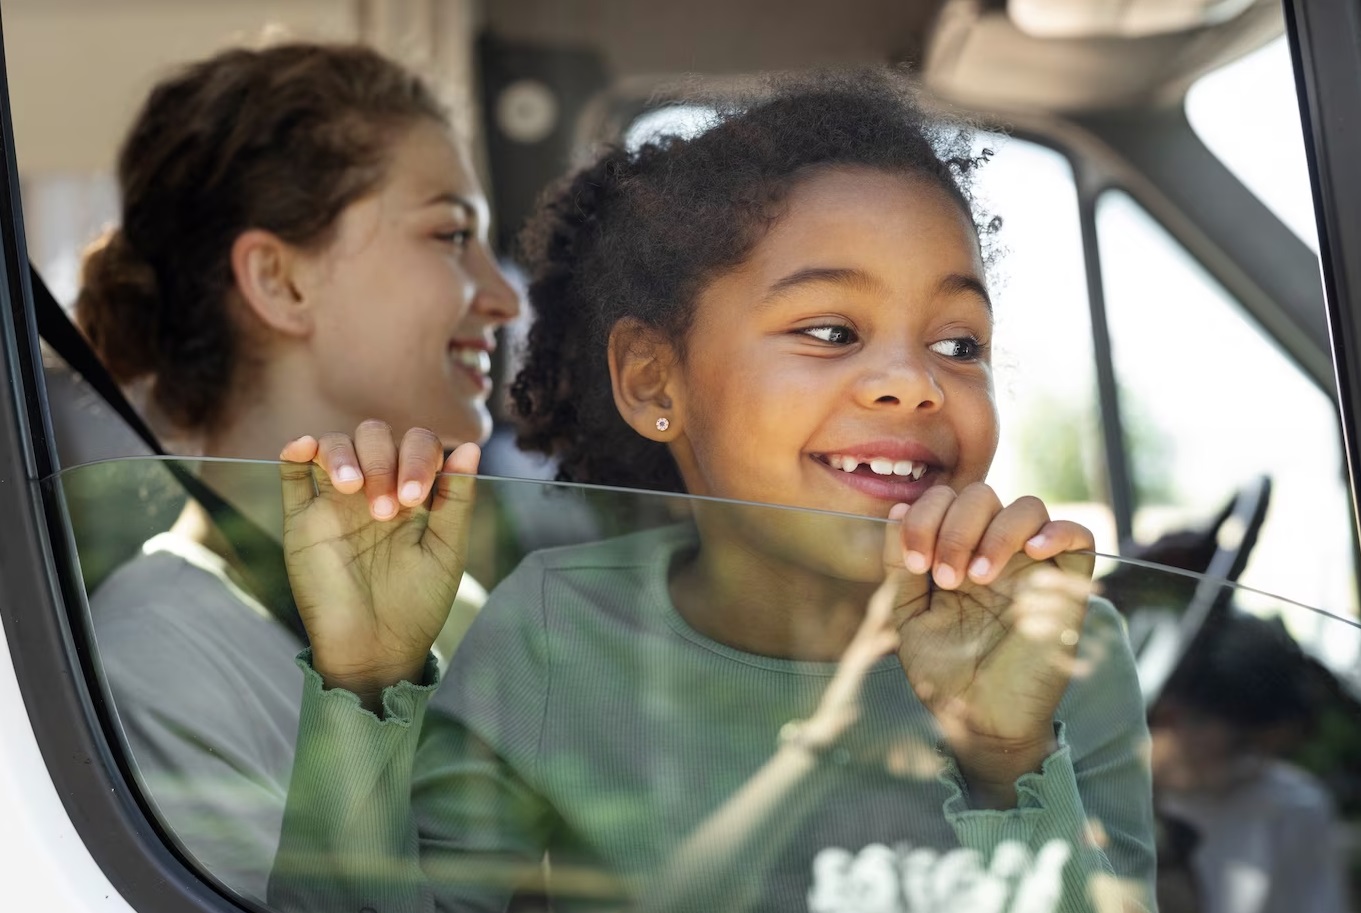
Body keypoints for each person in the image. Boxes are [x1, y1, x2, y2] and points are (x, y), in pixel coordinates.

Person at [270, 70, 1154, 913]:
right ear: (655, 382)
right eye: (829, 329)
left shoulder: (1062, 644)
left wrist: (1007, 756)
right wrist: (366, 679)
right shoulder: (551, 633)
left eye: (959, 344)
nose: (913, 383)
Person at [71, 41, 519, 902]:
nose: (501, 295)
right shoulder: (148, 667)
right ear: (281, 282)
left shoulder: (454, 607)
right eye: (453, 234)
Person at [1150, 611, 1349, 913]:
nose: (1254, 767)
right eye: (1241, 746)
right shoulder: (1081, 780)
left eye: (1269, 754)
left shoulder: (1291, 807)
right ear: (1172, 714)